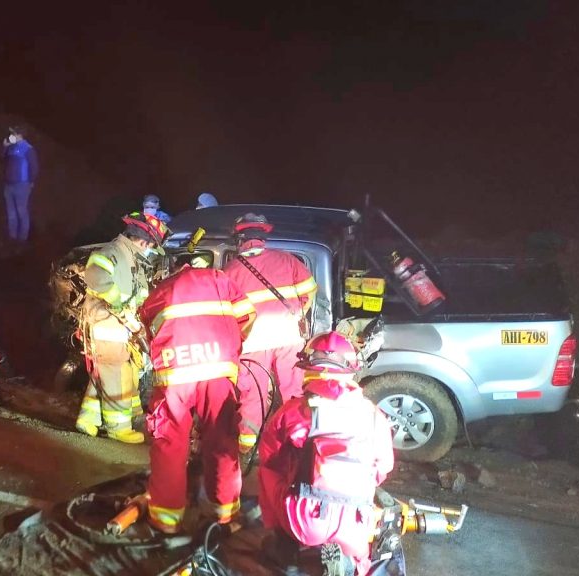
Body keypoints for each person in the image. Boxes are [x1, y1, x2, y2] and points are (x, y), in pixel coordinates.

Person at [257, 331, 394, 575]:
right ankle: (354, 564)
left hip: (305, 519)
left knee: (270, 473)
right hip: (356, 521)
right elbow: (382, 469)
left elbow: (271, 459)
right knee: (361, 562)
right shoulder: (373, 415)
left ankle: (284, 543)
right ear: (350, 370)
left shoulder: (294, 411)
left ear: (308, 369)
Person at [138, 265, 257, 534]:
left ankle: (165, 521)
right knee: (222, 439)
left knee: (169, 442)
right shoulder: (219, 280)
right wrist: (231, 344)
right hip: (218, 369)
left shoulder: (161, 289)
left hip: (176, 373)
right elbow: (248, 314)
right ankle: (224, 516)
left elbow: (149, 333)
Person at [222, 213, 317, 453]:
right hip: (288, 338)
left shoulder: (230, 270)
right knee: (293, 390)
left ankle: (247, 444)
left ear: (240, 239)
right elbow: (310, 291)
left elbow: (226, 313)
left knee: (253, 392)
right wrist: (297, 313)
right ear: (263, 238)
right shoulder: (287, 260)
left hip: (253, 342)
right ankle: (297, 440)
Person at [75, 213, 168, 444]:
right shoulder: (114, 252)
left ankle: (88, 419)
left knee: (105, 373)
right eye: (151, 247)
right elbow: (95, 275)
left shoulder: (130, 256)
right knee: (114, 374)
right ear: (144, 242)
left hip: (119, 326)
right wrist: (118, 302)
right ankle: (118, 428)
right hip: (107, 325)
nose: (150, 252)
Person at [2, 127, 39, 242]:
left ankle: (22, 239)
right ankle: (12, 238)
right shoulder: (11, 147)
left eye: (12, 133)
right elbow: (1, 157)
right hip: (8, 185)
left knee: (21, 212)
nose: (10, 136)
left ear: (19, 135)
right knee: (11, 213)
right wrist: (4, 147)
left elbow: (34, 167)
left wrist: (31, 182)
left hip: (22, 185)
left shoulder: (28, 149)